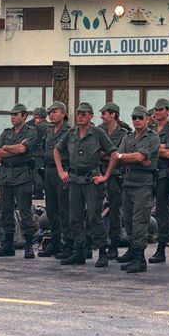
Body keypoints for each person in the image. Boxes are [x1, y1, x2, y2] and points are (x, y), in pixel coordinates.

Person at [54, 102, 117, 267]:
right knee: (74, 217)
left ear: (91, 116)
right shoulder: (71, 132)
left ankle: (102, 250)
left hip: (91, 180)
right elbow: (57, 150)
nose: (80, 116)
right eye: (78, 113)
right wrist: (61, 171)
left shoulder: (97, 133)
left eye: (84, 114)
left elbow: (114, 153)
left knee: (94, 217)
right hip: (74, 180)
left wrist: (106, 175)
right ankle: (79, 251)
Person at [112, 105, 160, 273]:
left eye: (141, 118)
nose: (137, 121)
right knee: (129, 221)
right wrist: (128, 157)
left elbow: (139, 156)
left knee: (140, 222)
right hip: (127, 182)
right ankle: (133, 252)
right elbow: (117, 156)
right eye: (134, 118)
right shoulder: (129, 137)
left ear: (147, 119)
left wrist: (129, 157)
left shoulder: (152, 137)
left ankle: (140, 258)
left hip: (143, 184)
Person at [0, 104, 37, 259]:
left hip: (22, 175)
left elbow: (23, 150)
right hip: (5, 175)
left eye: (16, 114)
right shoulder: (6, 132)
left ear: (24, 116)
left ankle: (29, 244)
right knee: (5, 210)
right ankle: (8, 243)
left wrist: (6, 149)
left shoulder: (31, 131)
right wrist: (12, 148)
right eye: (11, 114)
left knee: (25, 212)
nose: (12, 117)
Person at [148, 98, 169, 264]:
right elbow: (141, 147)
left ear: (168, 111)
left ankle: (161, 248)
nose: (157, 112)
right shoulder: (150, 128)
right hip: (150, 173)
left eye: (160, 109)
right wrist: (160, 146)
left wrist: (152, 148)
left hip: (165, 174)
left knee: (162, 210)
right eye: (156, 110)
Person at [38, 101, 72, 259]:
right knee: (51, 210)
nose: (51, 114)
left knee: (64, 209)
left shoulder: (69, 131)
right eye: (50, 112)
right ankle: (56, 243)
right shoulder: (49, 130)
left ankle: (67, 244)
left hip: (63, 170)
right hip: (49, 171)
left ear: (63, 114)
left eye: (55, 111)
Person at [99, 102, 127, 260]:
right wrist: (110, 154)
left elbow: (120, 156)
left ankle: (114, 245)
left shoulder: (123, 134)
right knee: (94, 208)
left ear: (113, 115)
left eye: (105, 113)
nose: (102, 116)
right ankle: (98, 242)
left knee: (115, 210)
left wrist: (106, 154)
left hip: (116, 176)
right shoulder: (98, 131)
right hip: (99, 173)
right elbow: (94, 152)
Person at [30, 107, 50, 200]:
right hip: (47, 152)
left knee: (36, 171)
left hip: (37, 152)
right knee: (44, 172)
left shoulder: (36, 127)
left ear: (37, 115)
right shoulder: (50, 126)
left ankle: (38, 192)